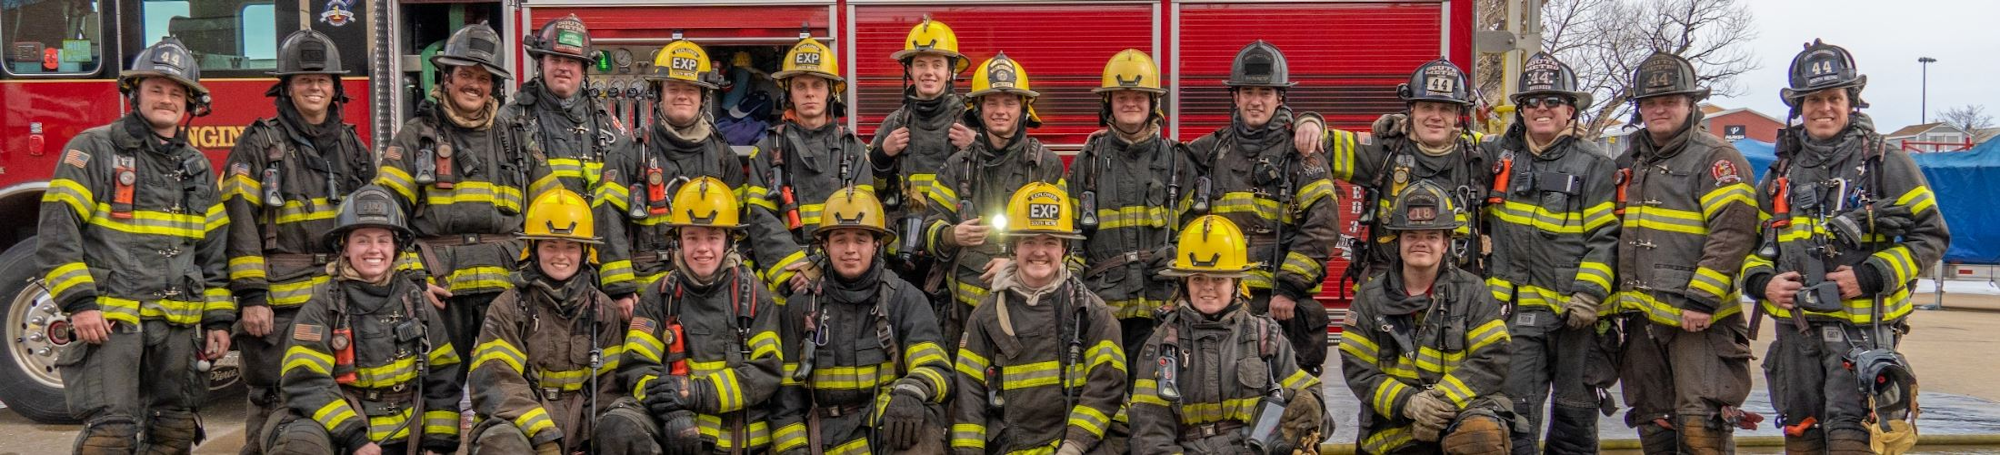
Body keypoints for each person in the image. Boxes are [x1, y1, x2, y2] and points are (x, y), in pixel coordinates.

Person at [1740, 39, 1948, 454]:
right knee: (1801, 436)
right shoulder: (1781, 171)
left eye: (1834, 97)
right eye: (1813, 99)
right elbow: (1751, 244)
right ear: (1799, 107)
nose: (1824, 108)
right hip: (1795, 338)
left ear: (1852, 101)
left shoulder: (1886, 163)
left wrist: (1870, 275)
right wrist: (1763, 283)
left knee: (1852, 439)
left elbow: (1932, 236)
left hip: (1861, 337)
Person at [38, 36, 233, 455]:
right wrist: (80, 304)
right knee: (111, 435)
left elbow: (214, 254)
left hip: (177, 327)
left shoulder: (197, 167)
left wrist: (218, 320)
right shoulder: (93, 149)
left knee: (174, 432)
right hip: (111, 323)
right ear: (135, 94)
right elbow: (57, 233)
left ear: (190, 105)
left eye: (176, 92)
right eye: (156, 89)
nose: (166, 99)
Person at [219, 30, 376, 454]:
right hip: (276, 304)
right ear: (287, 87)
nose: (315, 88)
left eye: (323, 80)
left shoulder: (352, 147)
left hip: (339, 297)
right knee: (273, 396)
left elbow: (374, 223)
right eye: (305, 81)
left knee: (335, 393)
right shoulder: (258, 144)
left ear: (335, 89)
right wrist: (252, 297)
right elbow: (238, 224)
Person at [373, 23, 548, 373]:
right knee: (440, 388)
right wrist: (412, 280)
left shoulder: (515, 138)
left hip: (506, 290)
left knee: (507, 382)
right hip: (440, 291)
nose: (475, 85)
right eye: (466, 74)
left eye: (484, 79)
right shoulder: (415, 138)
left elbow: (552, 209)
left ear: (494, 86)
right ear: (447, 78)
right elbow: (384, 218)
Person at [1609, 52, 1759, 454]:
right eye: (1651, 102)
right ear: (1639, 108)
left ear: (1690, 104)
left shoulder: (1717, 159)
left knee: (1700, 429)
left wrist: (1702, 298)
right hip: (1644, 322)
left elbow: (1734, 231)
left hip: (1700, 322)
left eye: (1670, 100)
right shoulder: (1631, 161)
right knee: (1654, 425)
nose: (1659, 109)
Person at [1480, 52, 1620, 455]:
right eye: (1531, 102)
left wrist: (1589, 295)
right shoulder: (1500, 158)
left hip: (1576, 319)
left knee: (1575, 422)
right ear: (1521, 110)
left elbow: (1605, 236)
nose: (1541, 109)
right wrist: (1400, 126)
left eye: (1552, 101)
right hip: (1520, 317)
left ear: (1570, 110)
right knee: (1515, 419)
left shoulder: (1594, 165)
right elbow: (1449, 148)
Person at [264, 185, 462, 455]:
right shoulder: (323, 305)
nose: (374, 249)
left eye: (383, 240)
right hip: (345, 433)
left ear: (396, 248)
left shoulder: (415, 301)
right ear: (345, 248)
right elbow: (305, 380)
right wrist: (354, 438)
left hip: (408, 430)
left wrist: (438, 443)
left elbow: (444, 375)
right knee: (300, 444)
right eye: (362, 240)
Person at [1181, 40, 1339, 376]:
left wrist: (1289, 288)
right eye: (1248, 91)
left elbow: (1323, 226)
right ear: (1234, 97)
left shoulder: (1302, 156)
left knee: (1290, 400)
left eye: (1265, 92)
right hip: (1221, 300)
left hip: (1280, 306)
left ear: (1280, 98)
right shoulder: (1209, 152)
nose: (1256, 101)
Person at [603, 177, 784, 454]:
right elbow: (636, 366)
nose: (702, 248)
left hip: (736, 436)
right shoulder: (659, 295)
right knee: (617, 425)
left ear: (729, 241)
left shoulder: (753, 295)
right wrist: (673, 413)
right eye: (692, 237)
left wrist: (697, 393)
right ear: (678, 241)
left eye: (713, 237)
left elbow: (766, 372)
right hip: (673, 430)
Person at [1128, 215, 1330, 454]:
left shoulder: (1266, 337)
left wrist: (1311, 406)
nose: (1208, 288)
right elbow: (1150, 435)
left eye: (1219, 279)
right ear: (1183, 283)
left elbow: (1320, 419)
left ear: (1236, 283)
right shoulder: (1162, 345)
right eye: (1198, 279)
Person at [770, 188, 952, 454]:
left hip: (884, 429)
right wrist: (795, 449)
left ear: (876, 244)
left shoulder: (904, 299)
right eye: (840, 240)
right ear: (825, 245)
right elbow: (786, 402)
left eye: (861, 239)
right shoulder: (800, 308)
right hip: (824, 436)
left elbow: (936, 368)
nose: (850, 250)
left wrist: (910, 392)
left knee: (921, 421)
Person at [950, 183, 1126, 455]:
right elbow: (969, 399)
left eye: (1050, 242)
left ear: (1064, 249)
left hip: (1082, 444)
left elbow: (1106, 388)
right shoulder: (986, 317)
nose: (1039, 251)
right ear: (1014, 248)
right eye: (1029, 241)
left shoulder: (1091, 312)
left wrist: (1073, 446)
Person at [1339, 181, 1512, 454]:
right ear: (1398, 243)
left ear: (1445, 244)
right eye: (1411, 235)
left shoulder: (1472, 291)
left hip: (1458, 414)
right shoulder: (1370, 296)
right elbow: (1358, 368)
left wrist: (1438, 402)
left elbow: (1492, 358)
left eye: (1432, 236)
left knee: (1482, 437)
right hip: (1392, 424)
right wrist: (1410, 404)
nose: (1421, 243)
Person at [919, 53, 1068, 351]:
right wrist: (951, 235)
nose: (1000, 111)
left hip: (1028, 309)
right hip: (962, 312)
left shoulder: (1046, 168)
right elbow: (927, 234)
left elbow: (1064, 242)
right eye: (992, 103)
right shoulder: (955, 166)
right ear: (979, 109)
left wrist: (1015, 265)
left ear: (1024, 109)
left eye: (1009, 102)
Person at [1299, 58, 1492, 279]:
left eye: (1445, 109)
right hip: (1385, 292)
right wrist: (1309, 121)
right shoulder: (1384, 151)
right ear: (1411, 109)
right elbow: (1324, 142)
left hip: (1456, 293)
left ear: (1458, 114)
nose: (1435, 116)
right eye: (1426, 106)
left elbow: (1525, 144)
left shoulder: (1477, 156)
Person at [467, 189, 627, 454]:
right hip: (518, 424)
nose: (560, 256)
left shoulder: (603, 309)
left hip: (581, 425)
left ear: (586, 252)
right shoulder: (508, 307)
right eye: (550, 245)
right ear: (533, 248)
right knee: (501, 445)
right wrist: (543, 436)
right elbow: (496, 380)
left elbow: (609, 386)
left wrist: (589, 439)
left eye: (570, 246)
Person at [594, 38, 743, 310]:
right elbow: (608, 222)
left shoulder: (722, 157)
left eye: (690, 88)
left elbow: (741, 228)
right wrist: (620, 290)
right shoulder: (629, 153)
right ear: (659, 93)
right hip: (646, 294)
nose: (682, 95)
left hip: (709, 295)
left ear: (703, 97)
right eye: (673, 87)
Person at [1069, 48, 1200, 358]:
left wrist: (1176, 253)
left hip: (1162, 303)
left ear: (1153, 103)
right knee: (1106, 388)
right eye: (1121, 96)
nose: (1130, 103)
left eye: (1139, 96)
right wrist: (1072, 294)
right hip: (1103, 306)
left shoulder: (1177, 161)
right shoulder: (1087, 162)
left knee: (1157, 393)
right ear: (1108, 103)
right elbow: (1073, 237)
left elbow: (1195, 228)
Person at [747, 36, 879, 304]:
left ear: (831, 91)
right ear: (789, 92)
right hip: (789, 281)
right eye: (800, 85)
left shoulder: (851, 149)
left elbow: (865, 220)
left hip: (841, 278)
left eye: (817, 85)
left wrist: (822, 265)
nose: (809, 93)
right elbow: (761, 220)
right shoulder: (767, 150)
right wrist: (797, 267)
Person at [868, 16, 978, 285]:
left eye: (937, 64)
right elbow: (872, 190)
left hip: (956, 248)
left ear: (950, 72)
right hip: (904, 254)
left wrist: (978, 146)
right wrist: (882, 156)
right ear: (910, 71)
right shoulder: (893, 123)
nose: (929, 72)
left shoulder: (972, 122)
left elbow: (999, 178)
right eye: (921, 64)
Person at [499, 14, 638, 200]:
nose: (563, 67)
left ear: (583, 70)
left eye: (571, 61)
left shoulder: (605, 122)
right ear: (541, 64)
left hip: (594, 227)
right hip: (535, 228)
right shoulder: (510, 119)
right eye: (555, 59)